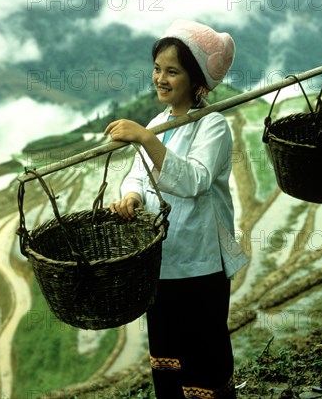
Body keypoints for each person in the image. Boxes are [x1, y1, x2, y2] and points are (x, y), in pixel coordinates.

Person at [104, 20, 249, 399]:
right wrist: (132, 196)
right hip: (161, 260)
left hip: (201, 262)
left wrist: (146, 138)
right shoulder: (158, 123)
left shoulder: (212, 126)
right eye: (157, 69)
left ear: (196, 80)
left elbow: (193, 182)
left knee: (204, 354)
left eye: (172, 71)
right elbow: (137, 174)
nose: (160, 79)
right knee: (167, 357)